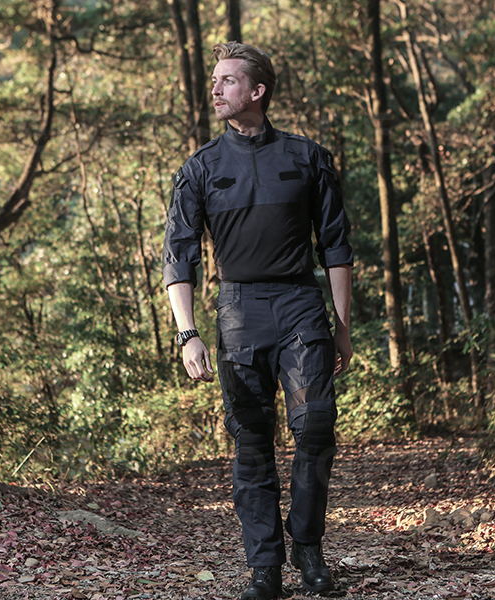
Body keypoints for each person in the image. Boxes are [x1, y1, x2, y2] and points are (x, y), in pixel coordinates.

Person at [162, 41, 353, 600]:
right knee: (251, 441)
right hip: (239, 312)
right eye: (215, 80)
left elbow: (336, 248)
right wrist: (188, 331)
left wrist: (341, 327)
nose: (216, 89)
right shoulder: (200, 169)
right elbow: (179, 253)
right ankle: (264, 566)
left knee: (315, 426)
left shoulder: (307, 158)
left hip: (300, 306)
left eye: (227, 80)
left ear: (257, 91)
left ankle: (309, 549)